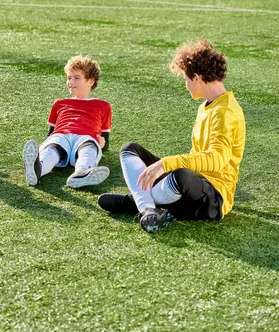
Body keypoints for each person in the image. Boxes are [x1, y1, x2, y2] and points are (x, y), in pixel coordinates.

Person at [98, 39, 246, 233]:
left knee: (181, 175)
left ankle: (137, 202)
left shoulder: (226, 112)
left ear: (197, 77)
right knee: (130, 149)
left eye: (185, 78)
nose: (185, 84)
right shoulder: (206, 106)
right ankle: (148, 208)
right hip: (192, 187)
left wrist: (166, 164)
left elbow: (216, 160)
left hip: (213, 198)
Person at [22, 55, 111, 188]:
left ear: (91, 81)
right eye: (69, 78)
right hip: (61, 135)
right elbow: (51, 133)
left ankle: (82, 173)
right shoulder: (59, 103)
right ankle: (37, 169)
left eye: (76, 78)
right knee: (52, 148)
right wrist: (46, 144)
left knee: (88, 148)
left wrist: (103, 143)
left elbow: (105, 140)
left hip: (86, 137)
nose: (71, 82)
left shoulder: (103, 106)